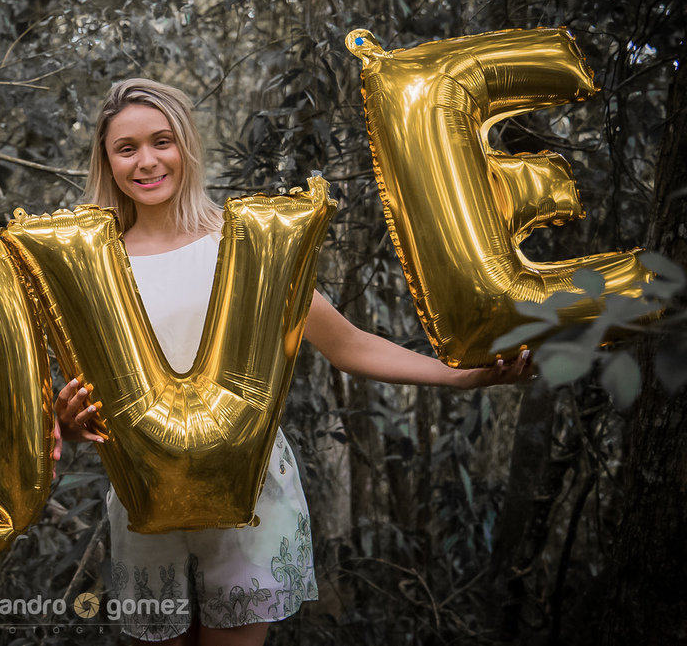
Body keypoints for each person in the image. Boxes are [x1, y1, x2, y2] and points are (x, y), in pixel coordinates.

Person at [55, 78, 530, 646]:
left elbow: (348, 345)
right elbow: (78, 391)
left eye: (162, 141)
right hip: (144, 499)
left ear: (187, 146)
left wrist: (464, 375)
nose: (147, 161)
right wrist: (69, 424)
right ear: (106, 161)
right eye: (126, 148)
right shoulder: (89, 265)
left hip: (250, 496)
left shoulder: (243, 246)